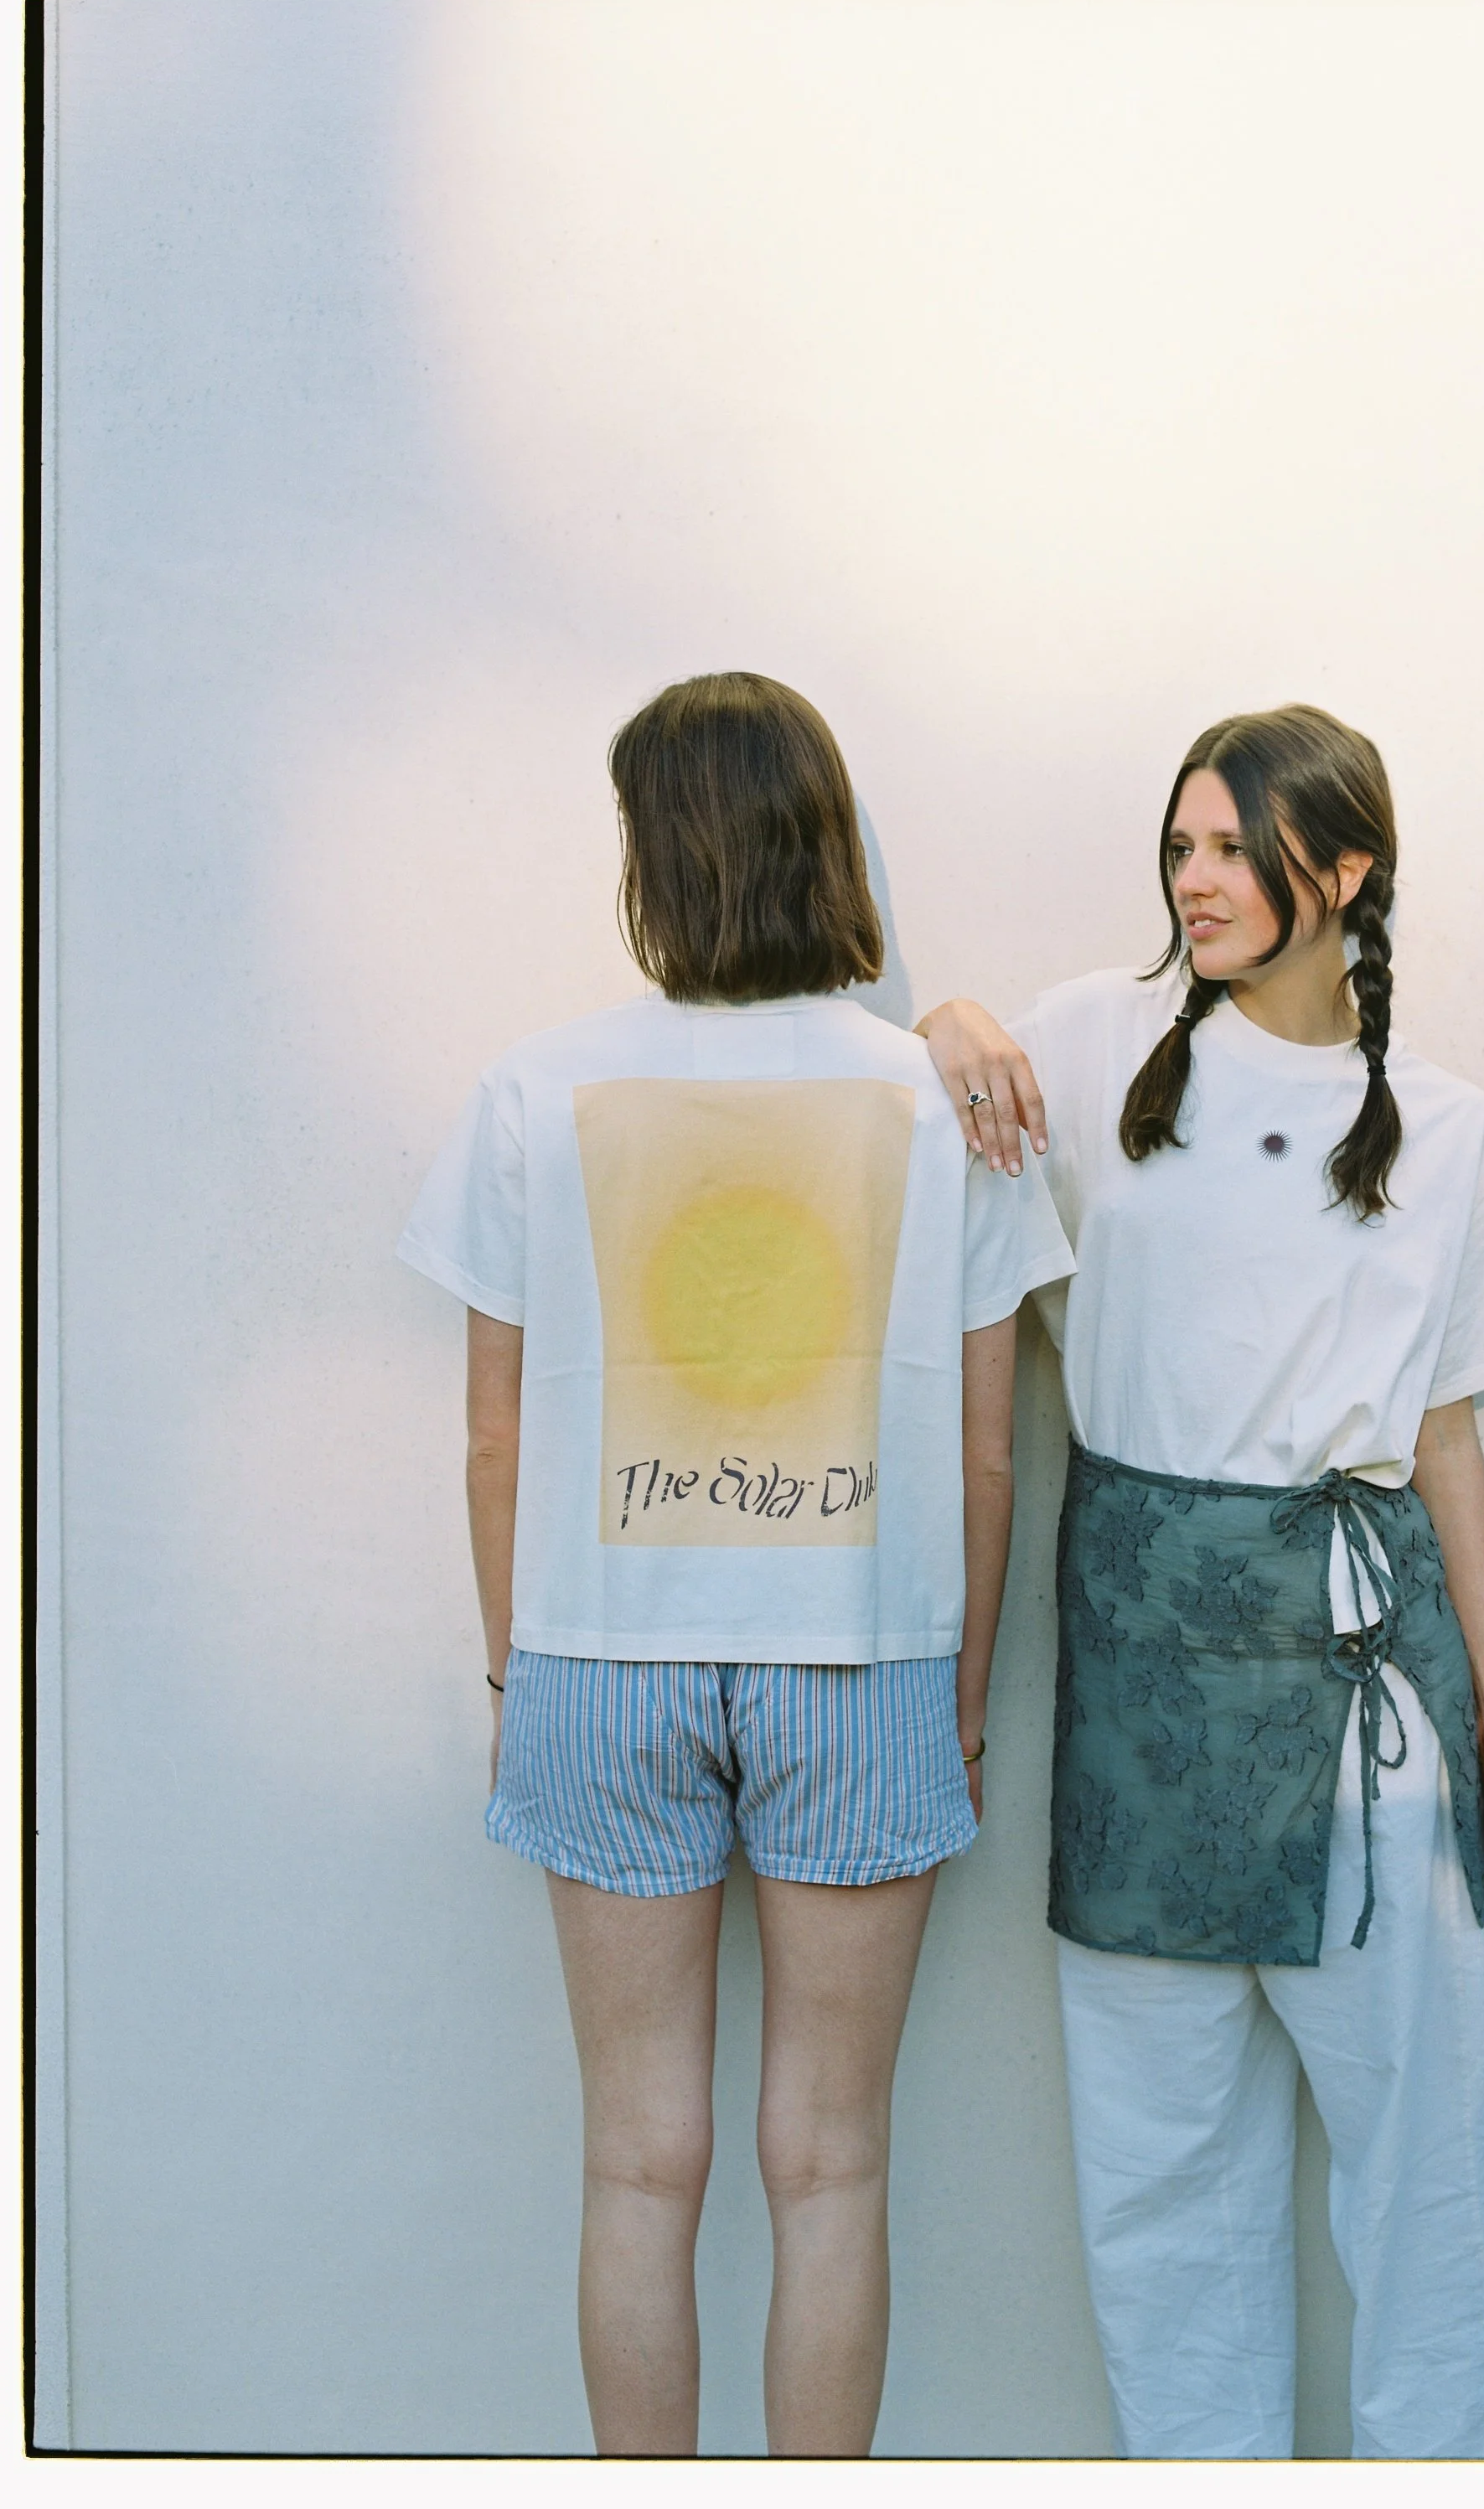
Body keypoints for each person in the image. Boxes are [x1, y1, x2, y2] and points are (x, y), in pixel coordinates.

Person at [399, 672, 1073, 2458]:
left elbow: (493, 1438)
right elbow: (988, 1451)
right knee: (830, 2161)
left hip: (596, 1654)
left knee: (637, 2159)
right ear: (818, 839)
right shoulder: (946, 1103)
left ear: (658, 852)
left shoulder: (534, 1089)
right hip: (864, 1658)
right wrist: (960, 1693)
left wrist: (513, 1672)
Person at [919, 703, 1484, 2460]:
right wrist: (941, 1017)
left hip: (1359, 1702)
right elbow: (924, 1103)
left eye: (1233, 848)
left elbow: (1442, 1431)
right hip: (1137, 1709)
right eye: (1180, 846)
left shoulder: (1448, 1132)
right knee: (1161, 2197)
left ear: (1343, 871)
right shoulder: (1095, 1041)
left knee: (1421, 2182)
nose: (1193, 881)